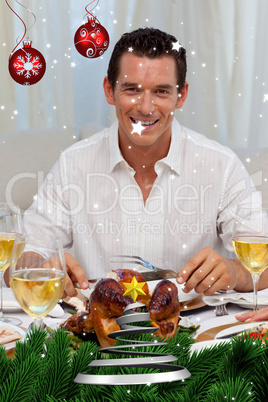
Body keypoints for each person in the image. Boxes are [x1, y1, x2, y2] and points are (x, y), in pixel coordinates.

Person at [21, 27, 268, 299]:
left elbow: (263, 256)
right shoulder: (73, 164)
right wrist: (40, 269)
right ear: (109, 90)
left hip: (197, 335)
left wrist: (236, 272)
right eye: (132, 89)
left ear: (181, 95)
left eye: (161, 91)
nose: (146, 107)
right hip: (97, 336)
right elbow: (23, 258)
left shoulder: (221, 166)